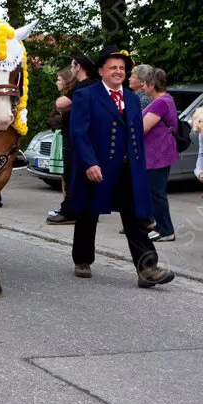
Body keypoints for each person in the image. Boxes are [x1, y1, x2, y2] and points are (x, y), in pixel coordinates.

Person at [68, 46, 174, 287]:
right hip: (97, 166)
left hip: (127, 169)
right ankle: (82, 259)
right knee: (88, 212)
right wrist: (89, 162)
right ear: (101, 71)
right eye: (113, 67)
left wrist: (139, 166)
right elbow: (79, 133)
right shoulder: (87, 95)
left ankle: (147, 269)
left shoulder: (133, 98)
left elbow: (136, 134)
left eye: (122, 68)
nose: (118, 72)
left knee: (135, 216)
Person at [46, 54, 98, 224]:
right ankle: (81, 209)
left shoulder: (84, 86)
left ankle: (71, 210)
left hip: (76, 137)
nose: (71, 69)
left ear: (79, 67)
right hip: (79, 135)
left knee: (72, 174)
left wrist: (66, 106)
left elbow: (60, 104)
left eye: (72, 66)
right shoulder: (90, 86)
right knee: (77, 174)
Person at [140, 67, 178, 242]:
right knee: (155, 191)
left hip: (157, 155)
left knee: (156, 192)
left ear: (152, 85)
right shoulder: (166, 99)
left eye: (145, 84)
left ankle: (166, 230)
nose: (142, 86)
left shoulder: (160, 103)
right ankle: (160, 226)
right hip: (159, 153)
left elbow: (143, 128)